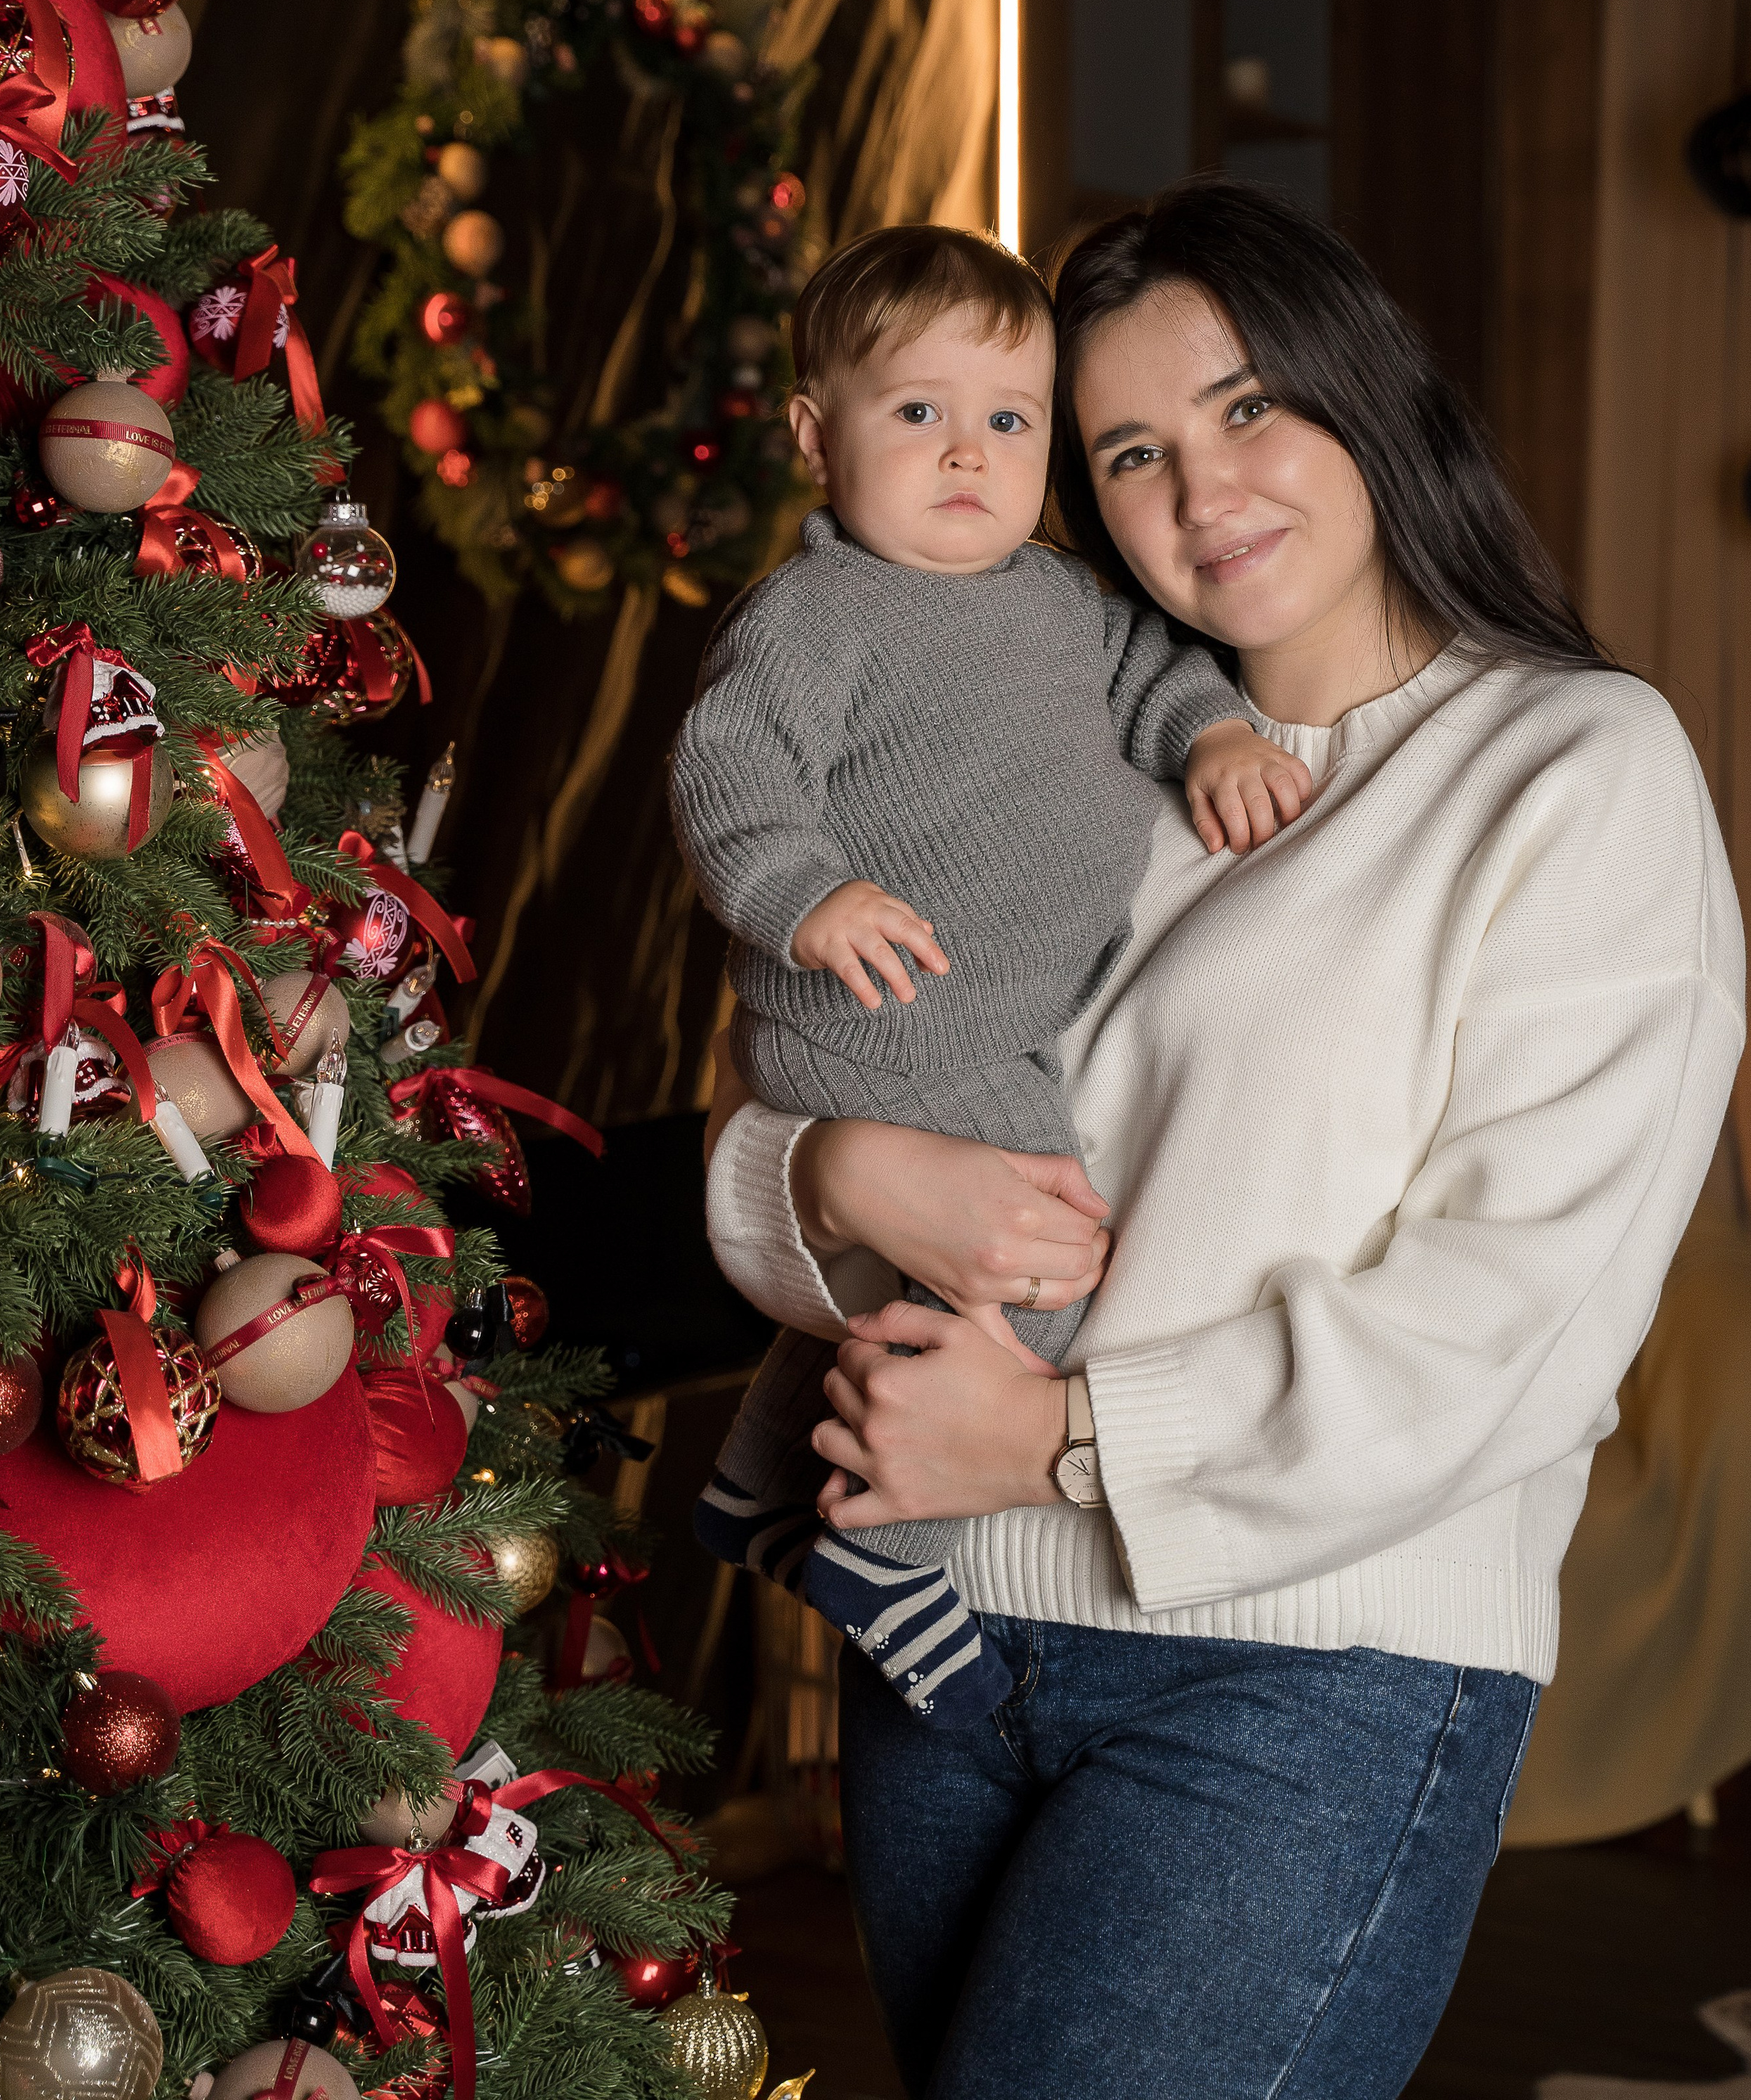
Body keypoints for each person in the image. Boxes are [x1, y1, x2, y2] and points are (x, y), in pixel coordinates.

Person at [702, 180, 1745, 2100]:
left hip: (1304, 1679)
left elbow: (1517, 1313)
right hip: (949, 1640)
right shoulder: (1077, 756)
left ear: (1369, 390)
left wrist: (1061, 1437)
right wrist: (834, 1176)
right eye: (1128, 452)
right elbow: (811, 1115)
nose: (1202, 490)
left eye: (1248, 405)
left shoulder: (1572, 765)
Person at [669, 223, 1310, 1729]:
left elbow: (1160, 675)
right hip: (877, 1018)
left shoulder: (1061, 597)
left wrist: (1216, 735)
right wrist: (805, 894)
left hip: (986, 1028)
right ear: (815, 438)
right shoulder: (818, 613)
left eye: (1009, 421)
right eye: (919, 412)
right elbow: (728, 773)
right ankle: (887, 1549)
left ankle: (760, 1482)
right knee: (1042, 1257)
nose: (968, 453)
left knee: (920, 1278)